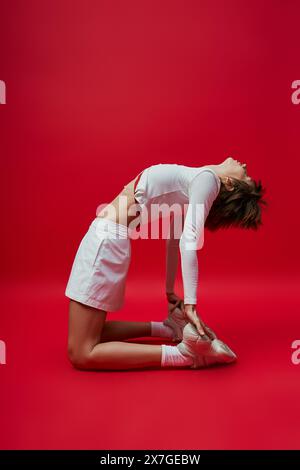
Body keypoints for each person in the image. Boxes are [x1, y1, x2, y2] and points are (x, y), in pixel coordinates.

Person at [65, 157, 267, 370]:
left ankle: (184, 356)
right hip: (110, 241)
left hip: (105, 242)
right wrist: (170, 292)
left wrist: (190, 304)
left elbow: (187, 241)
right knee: (91, 334)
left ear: (228, 182)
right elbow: (173, 240)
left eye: (246, 176)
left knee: (81, 353)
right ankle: (170, 330)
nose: (244, 166)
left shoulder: (208, 179)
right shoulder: (193, 183)